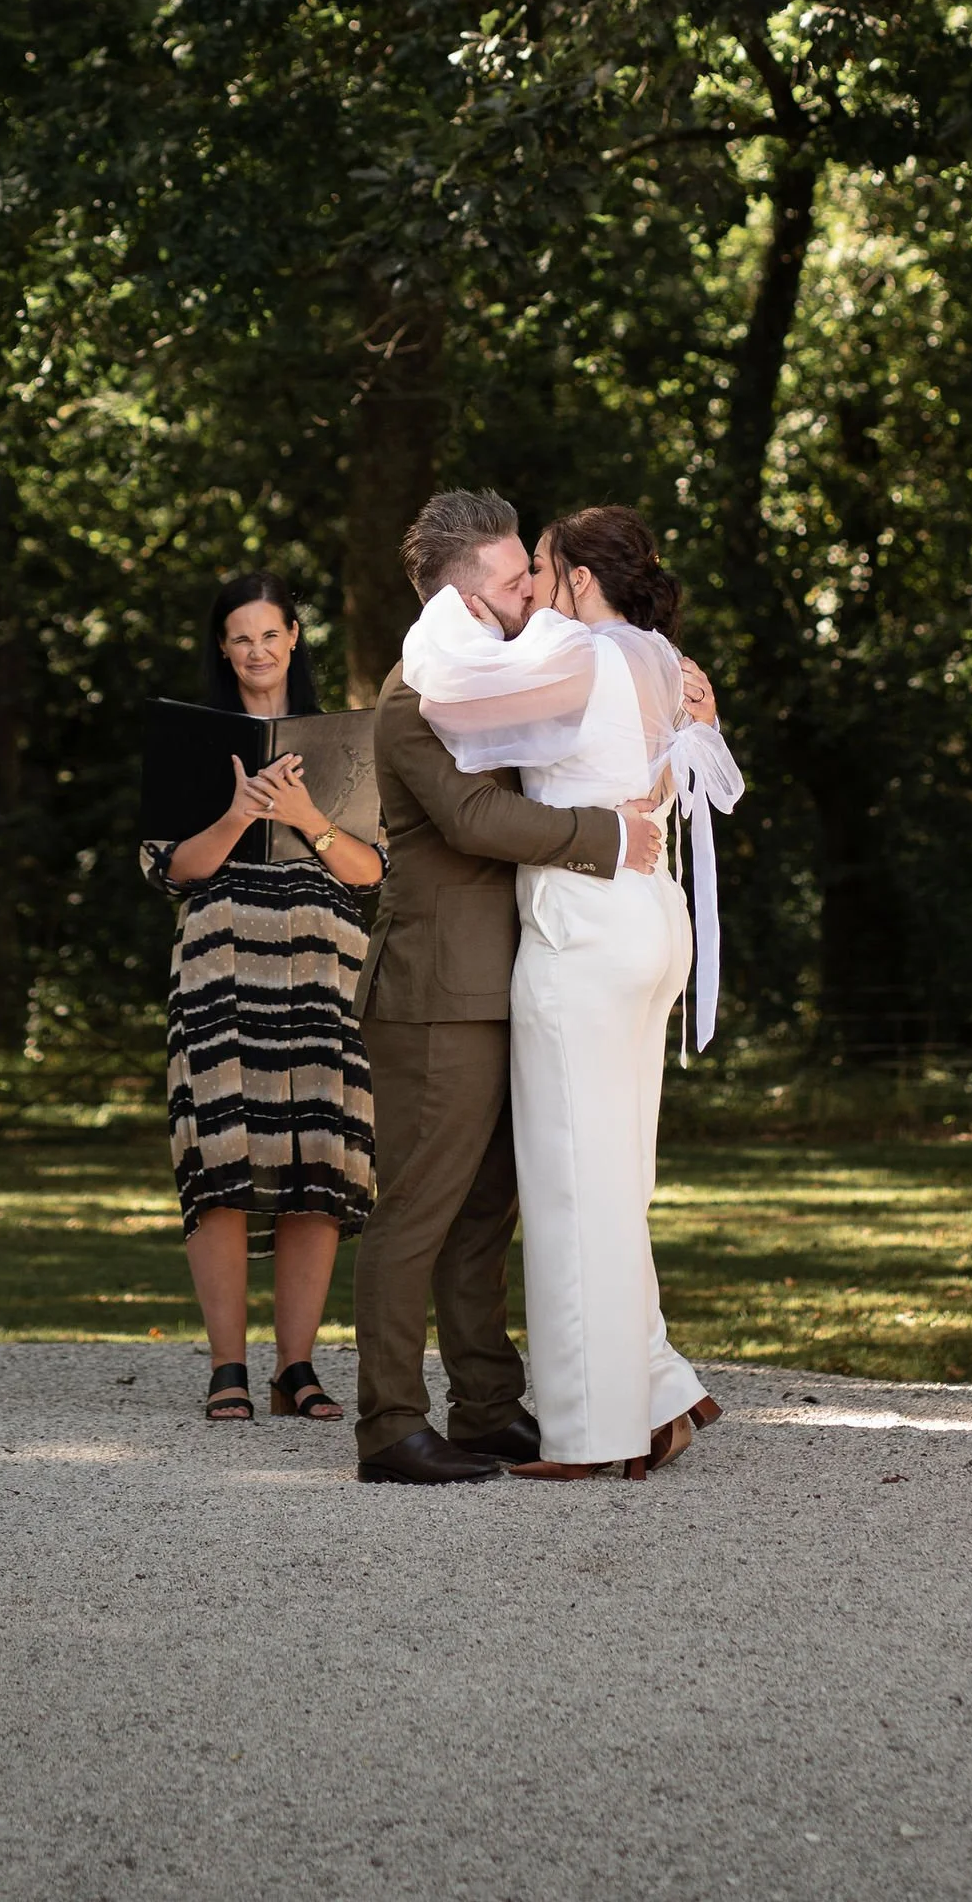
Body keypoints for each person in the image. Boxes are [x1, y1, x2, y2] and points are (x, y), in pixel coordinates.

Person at [351, 489, 664, 1486]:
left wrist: (672, 693)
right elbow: (474, 821)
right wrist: (604, 838)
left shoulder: (498, 676)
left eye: (531, 570)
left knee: (486, 1211)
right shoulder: (417, 694)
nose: (530, 586)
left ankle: (487, 1406)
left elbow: (596, 714)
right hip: (437, 991)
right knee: (417, 1211)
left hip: (506, 980)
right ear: (457, 590)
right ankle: (388, 1425)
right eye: (511, 577)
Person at [506, 507, 735, 1479]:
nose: (530, 591)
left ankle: (588, 1434)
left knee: (568, 1183)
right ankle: (656, 1390)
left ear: (577, 580)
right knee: (616, 1177)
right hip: (653, 918)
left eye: (541, 571)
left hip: (582, 926)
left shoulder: (570, 656)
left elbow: (468, 729)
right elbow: (707, 778)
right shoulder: (658, 659)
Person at [142, 573, 382, 1426]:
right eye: (240, 637)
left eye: (270, 634)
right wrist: (241, 813)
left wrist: (310, 815)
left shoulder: (350, 740)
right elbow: (171, 868)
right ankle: (227, 1368)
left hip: (325, 964)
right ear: (223, 647)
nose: (257, 650)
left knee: (321, 1155)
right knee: (222, 1158)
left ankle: (297, 1368)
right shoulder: (186, 741)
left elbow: (370, 870)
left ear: (294, 637)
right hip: (222, 959)